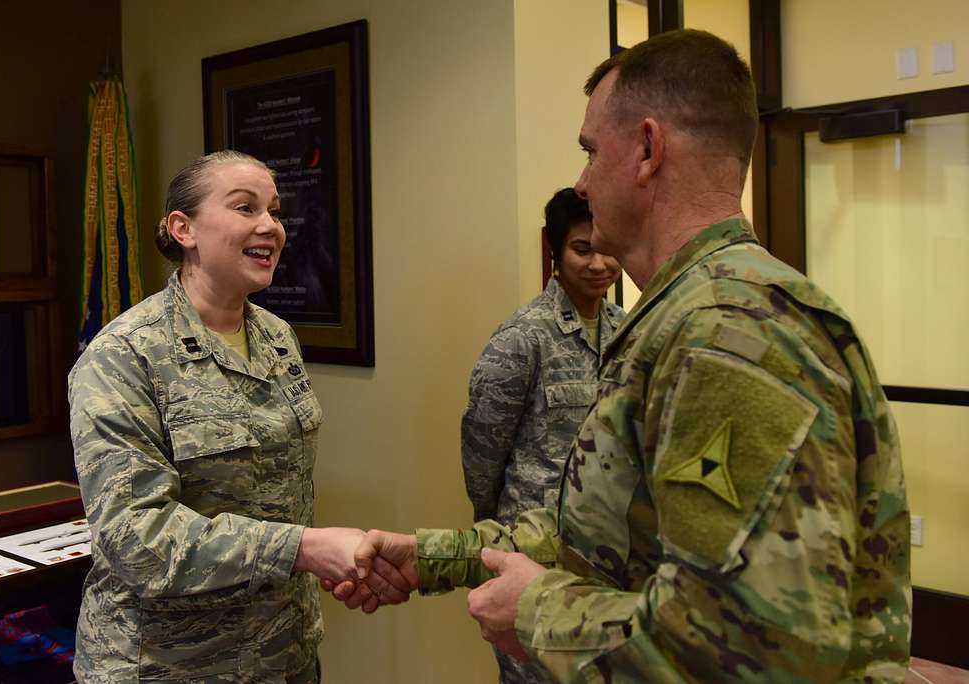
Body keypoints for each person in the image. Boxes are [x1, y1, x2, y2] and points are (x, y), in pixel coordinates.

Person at [329, 30, 911, 682]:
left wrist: (538, 610)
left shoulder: (726, 334)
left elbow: (750, 647)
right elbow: (617, 534)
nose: (581, 180)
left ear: (646, 149)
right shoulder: (681, 317)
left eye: (589, 151)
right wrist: (435, 557)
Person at [68, 151, 408, 683]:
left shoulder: (276, 336)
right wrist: (304, 548)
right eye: (245, 207)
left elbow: (281, 491)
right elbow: (136, 540)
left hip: (283, 649)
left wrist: (325, 558)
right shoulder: (125, 356)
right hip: (170, 665)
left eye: (274, 210)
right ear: (184, 229)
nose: (270, 226)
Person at [462, 188, 624, 683]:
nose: (598, 263)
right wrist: (500, 530)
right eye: (582, 249)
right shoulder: (522, 338)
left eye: (606, 248)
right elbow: (483, 453)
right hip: (533, 550)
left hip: (606, 555)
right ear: (555, 251)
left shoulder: (628, 332)